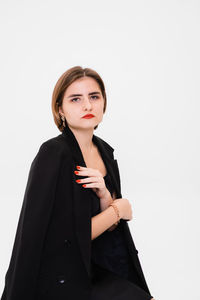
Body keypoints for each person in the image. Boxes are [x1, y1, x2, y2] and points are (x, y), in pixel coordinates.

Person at [1, 66, 155, 300]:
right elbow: (63, 238)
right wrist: (117, 210)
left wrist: (105, 197)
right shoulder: (53, 154)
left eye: (94, 96)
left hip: (93, 269)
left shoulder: (105, 152)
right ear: (60, 109)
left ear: (104, 102)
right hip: (58, 277)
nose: (87, 106)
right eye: (75, 99)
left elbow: (109, 232)